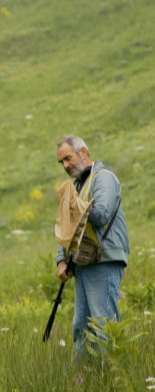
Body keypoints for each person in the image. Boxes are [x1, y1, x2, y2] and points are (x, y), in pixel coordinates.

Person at [54, 135, 129, 356]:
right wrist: (61, 260)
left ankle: (109, 374)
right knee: (81, 328)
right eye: (61, 162)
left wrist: (75, 204)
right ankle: (81, 375)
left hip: (104, 259)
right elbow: (65, 228)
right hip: (83, 262)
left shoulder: (104, 178)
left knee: (102, 326)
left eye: (68, 158)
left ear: (83, 153)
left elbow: (102, 214)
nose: (65, 165)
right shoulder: (75, 186)